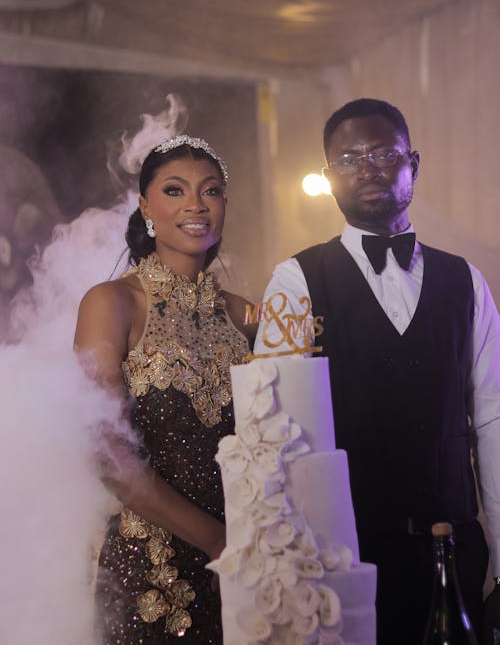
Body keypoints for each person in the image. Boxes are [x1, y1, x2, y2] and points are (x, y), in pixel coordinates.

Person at [254, 99, 500, 645]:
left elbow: (494, 424)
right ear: (327, 177)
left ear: (414, 163)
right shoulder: (294, 281)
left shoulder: (467, 282)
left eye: (385, 153)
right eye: (349, 158)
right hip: (340, 559)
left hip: (453, 552)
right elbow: (276, 438)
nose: (368, 168)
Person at [74, 135, 255, 645]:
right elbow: (105, 452)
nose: (196, 204)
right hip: (149, 574)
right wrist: (217, 539)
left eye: (211, 191)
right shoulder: (113, 303)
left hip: (244, 565)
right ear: (145, 207)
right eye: (175, 190)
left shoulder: (245, 315)